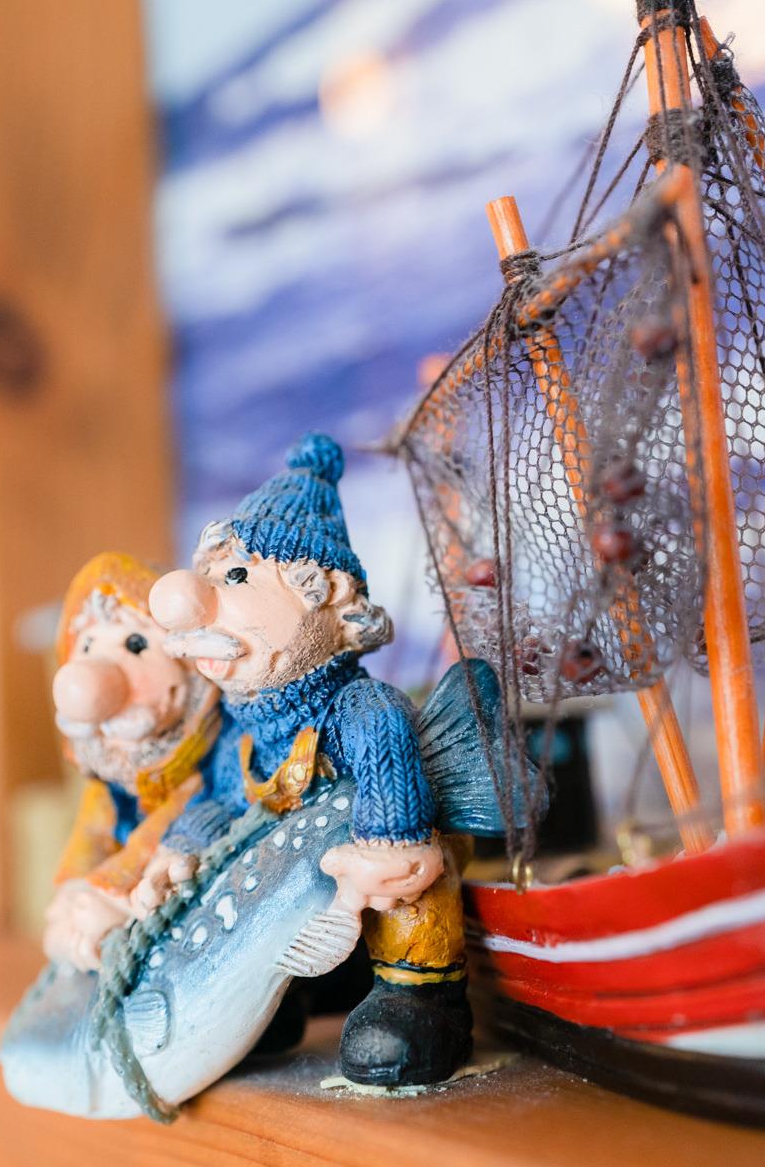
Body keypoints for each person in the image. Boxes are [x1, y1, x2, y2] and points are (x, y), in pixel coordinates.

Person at [134, 434, 472, 1087]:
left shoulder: (359, 710)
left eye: (236, 577)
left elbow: (390, 772)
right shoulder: (242, 734)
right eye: (211, 576)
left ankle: (422, 993)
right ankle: (289, 994)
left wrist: (387, 848)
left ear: (329, 593)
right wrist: (181, 846)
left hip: (378, 898)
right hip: (309, 923)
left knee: (412, 888)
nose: (200, 600)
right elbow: (224, 801)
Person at [41, 552, 219, 972]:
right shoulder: (111, 777)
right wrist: (76, 887)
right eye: (87, 645)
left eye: (136, 644)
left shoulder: (207, 767)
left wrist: (113, 888)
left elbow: (180, 815)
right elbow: (93, 827)